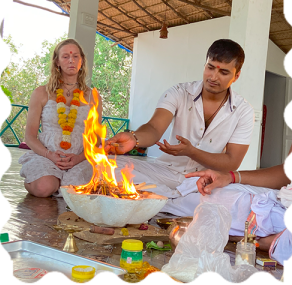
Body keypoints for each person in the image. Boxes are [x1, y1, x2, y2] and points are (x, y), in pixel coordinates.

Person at [105, 39, 254, 215]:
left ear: (236, 76)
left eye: (223, 72)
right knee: (108, 165)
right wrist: (134, 138)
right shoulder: (179, 92)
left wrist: (191, 152)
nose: (213, 77)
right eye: (210, 67)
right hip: (166, 172)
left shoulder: (244, 111)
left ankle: (158, 200)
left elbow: (232, 162)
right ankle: (174, 201)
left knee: (245, 201)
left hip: (205, 181)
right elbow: (154, 127)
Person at [185, 136, 292, 266]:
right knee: (214, 193)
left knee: (215, 215)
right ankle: (269, 239)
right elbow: (285, 173)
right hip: (286, 201)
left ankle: (266, 241)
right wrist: (230, 177)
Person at [18, 39, 102, 198]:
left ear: (81, 60)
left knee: (74, 192)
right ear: (57, 61)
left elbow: (96, 139)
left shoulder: (93, 96)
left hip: (80, 159)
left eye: (76, 56)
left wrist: (78, 158)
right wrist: (49, 154)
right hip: (46, 156)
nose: (71, 60)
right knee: (44, 187)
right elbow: (29, 136)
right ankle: (38, 178)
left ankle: (60, 182)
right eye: (65, 56)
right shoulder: (41, 93)